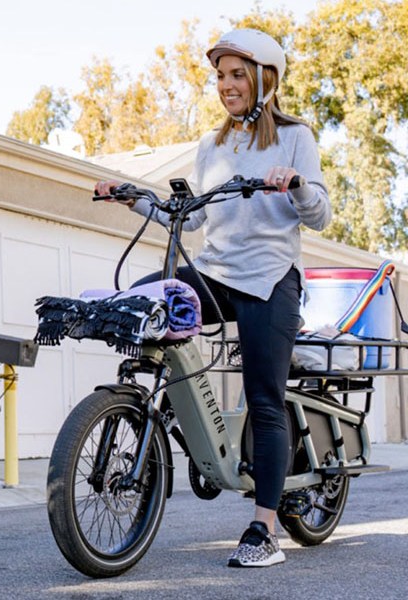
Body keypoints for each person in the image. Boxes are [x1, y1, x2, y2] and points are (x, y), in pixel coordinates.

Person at [94, 28, 330, 568]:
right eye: (220, 75)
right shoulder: (213, 145)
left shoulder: (297, 137)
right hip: (217, 272)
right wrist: (136, 200)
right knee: (146, 296)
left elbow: (319, 212)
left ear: (265, 79)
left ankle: (264, 528)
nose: (225, 84)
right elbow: (194, 216)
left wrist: (294, 184)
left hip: (270, 278)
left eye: (236, 74)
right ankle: (166, 411)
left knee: (264, 399)